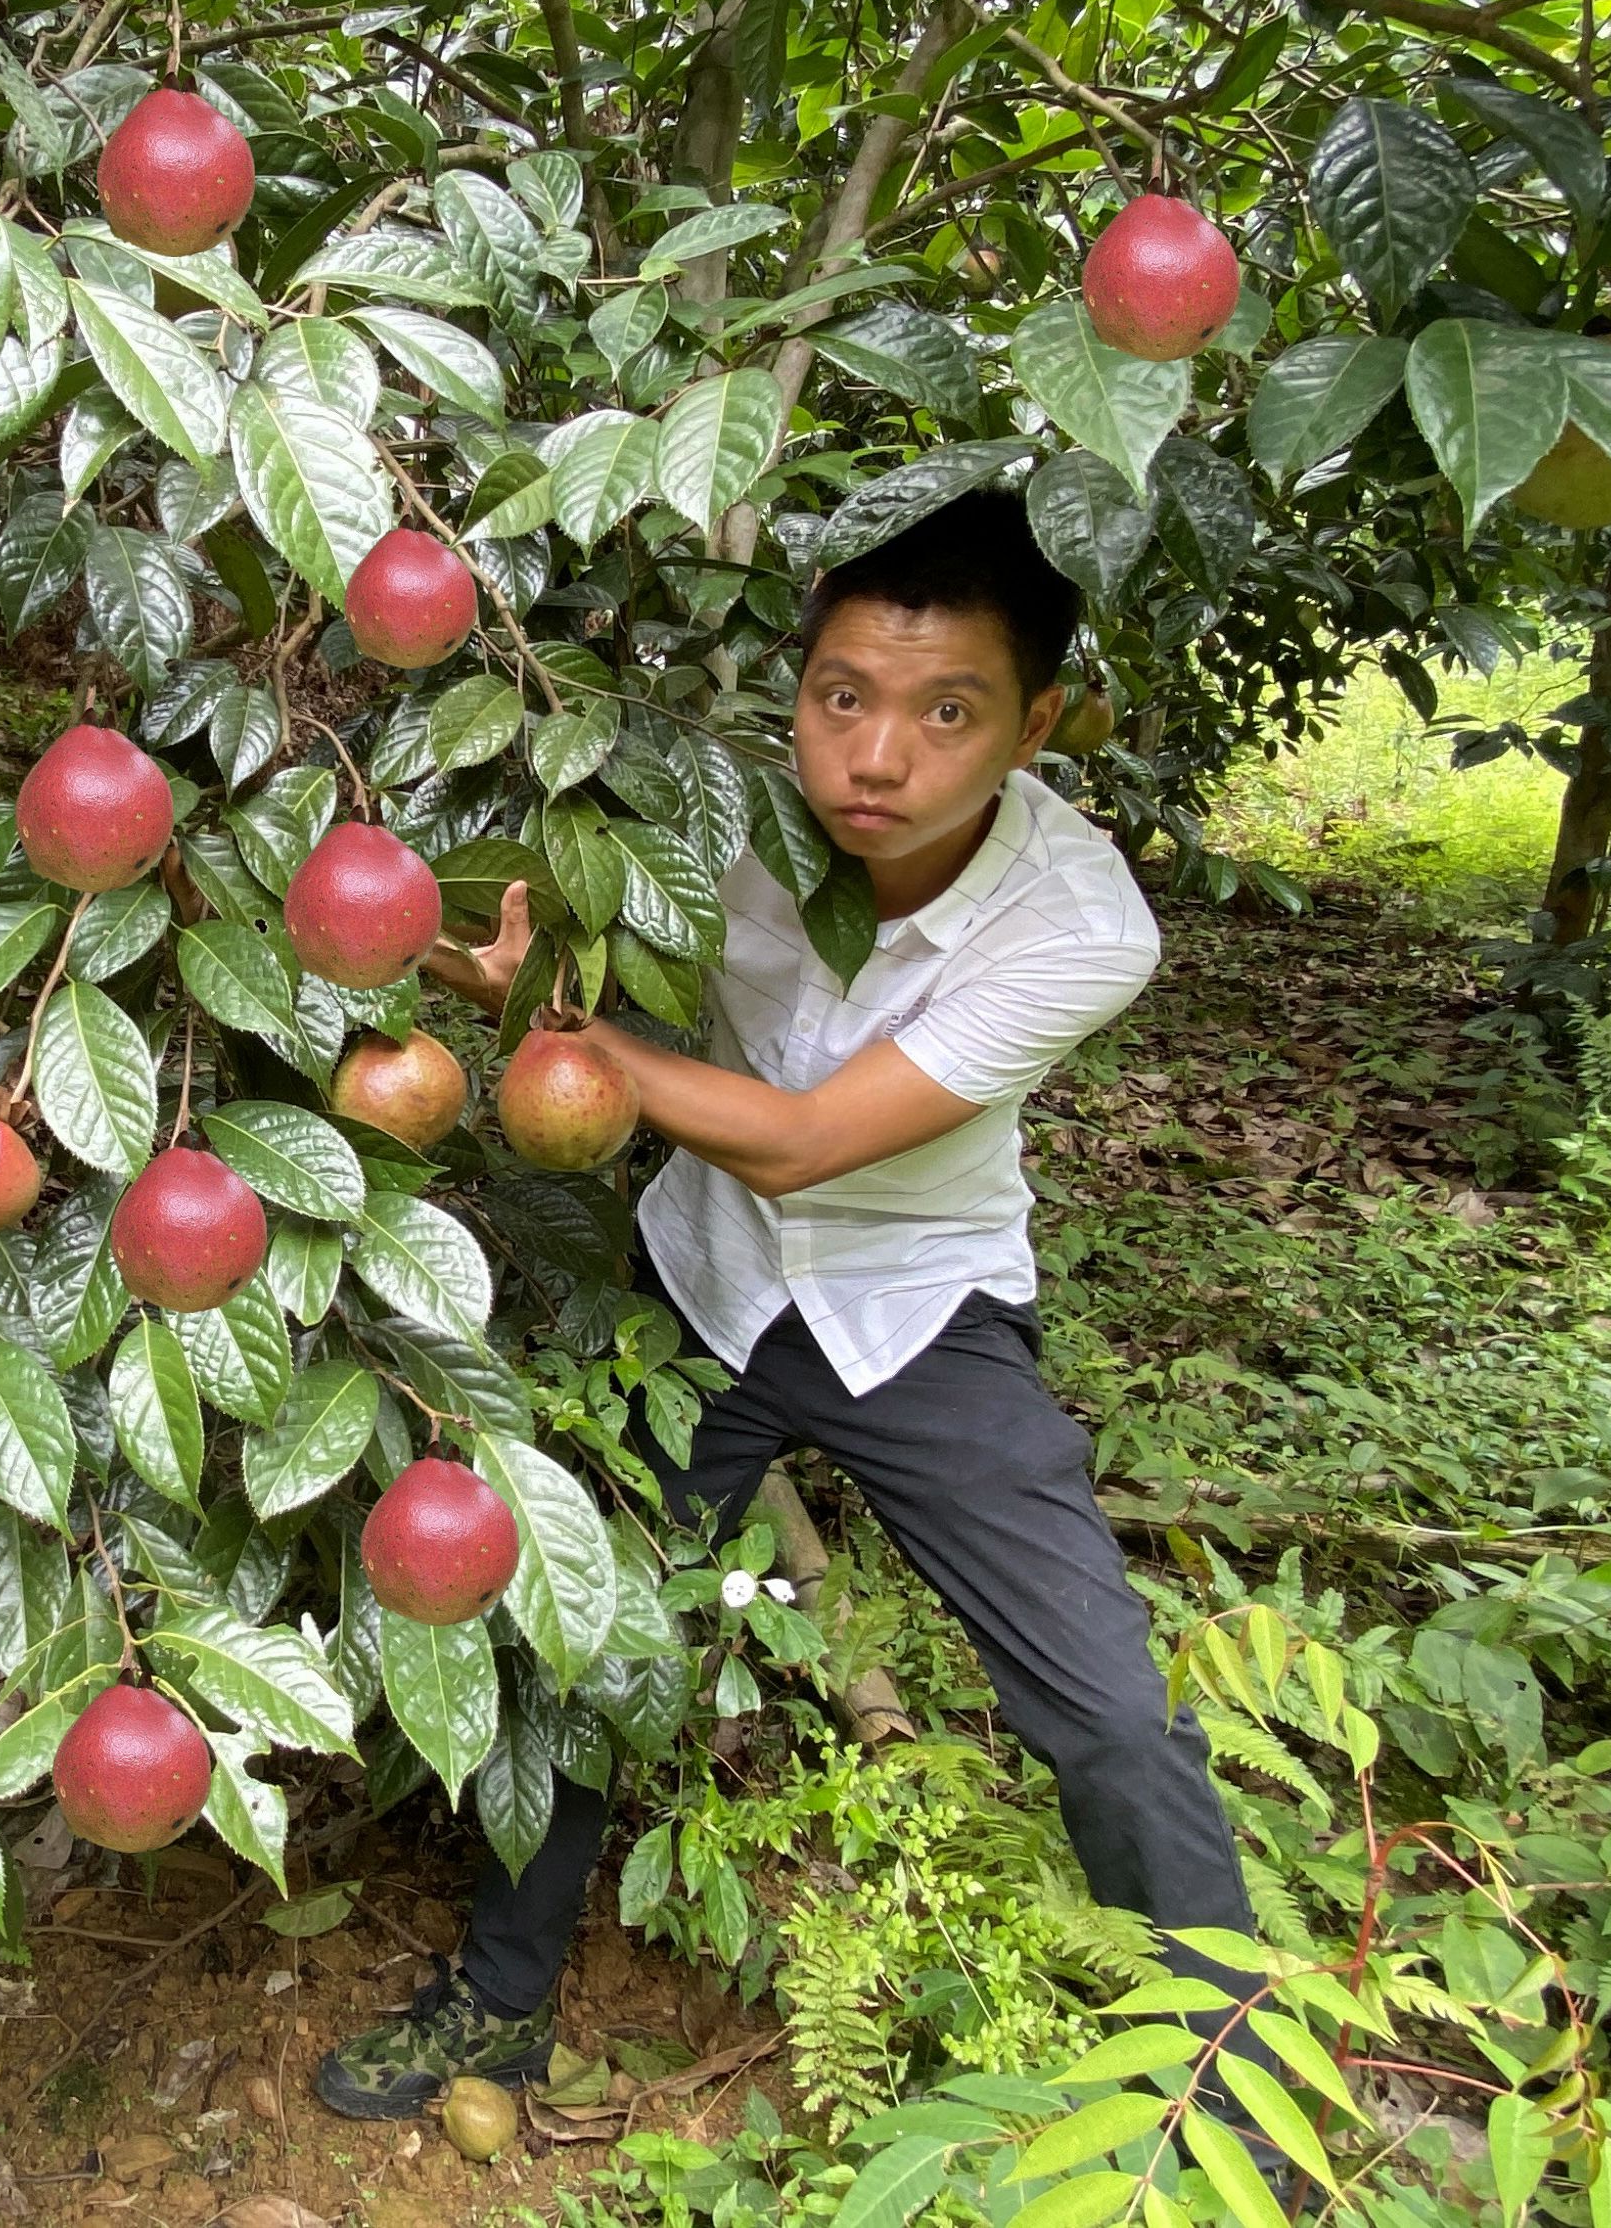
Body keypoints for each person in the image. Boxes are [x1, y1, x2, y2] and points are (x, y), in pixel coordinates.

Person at [311, 488, 1260, 2119]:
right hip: (701, 1286)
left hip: (920, 1312)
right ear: (793, 692)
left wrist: (574, 1038)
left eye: (946, 711)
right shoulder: (708, 825)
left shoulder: (1082, 922)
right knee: (585, 1641)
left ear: (1034, 724)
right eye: (842, 699)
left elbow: (813, 1147)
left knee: (1105, 1706)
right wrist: (511, 976)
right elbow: (580, 981)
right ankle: (499, 2001)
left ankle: (1227, 2070)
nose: (875, 761)